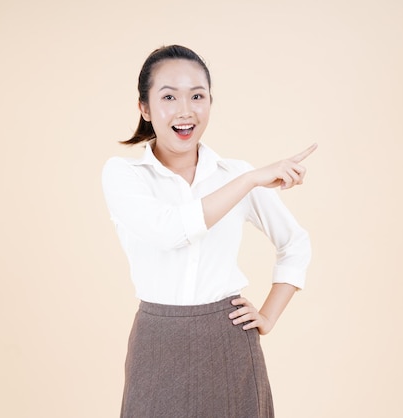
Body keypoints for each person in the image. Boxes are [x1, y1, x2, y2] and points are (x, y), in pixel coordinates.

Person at [101, 44, 317, 418]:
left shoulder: (234, 174)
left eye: (197, 96)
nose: (186, 111)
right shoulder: (123, 175)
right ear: (145, 108)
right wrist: (250, 179)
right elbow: (170, 231)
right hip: (157, 342)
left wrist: (267, 316)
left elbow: (295, 242)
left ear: (210, 103)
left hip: (229, 341)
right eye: (169, 97)